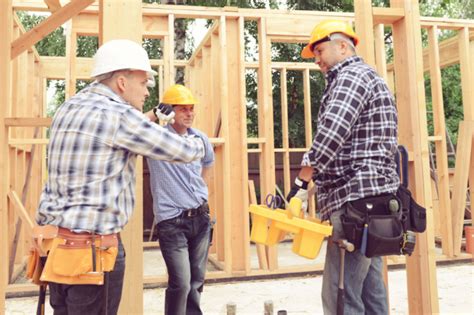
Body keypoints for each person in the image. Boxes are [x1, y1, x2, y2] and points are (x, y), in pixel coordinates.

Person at [35, 39, 206, 315]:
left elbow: (110, 138)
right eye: (144, 83)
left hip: (57, 249)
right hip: (92, 255)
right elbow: (182, 150)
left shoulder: (69, 108)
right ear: (123, 82)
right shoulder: (119, 115)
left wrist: (150, 117)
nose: (147, 90)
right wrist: (200, 142)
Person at [286, 20, 400, 314]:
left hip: (357, 205)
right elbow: (350, 149)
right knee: (369, 289)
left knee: (340, 294)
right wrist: (312, 192)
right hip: (374, 204)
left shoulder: (350, 77)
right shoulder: (367, 78)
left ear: (342, 46)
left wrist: (299, 185)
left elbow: (329, 137)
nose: (318, 60)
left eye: (320, 50)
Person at [146, 84, 214, 315]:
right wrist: (155, 113)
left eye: (191, 108)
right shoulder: (157, 138)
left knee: (196, 281)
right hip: (172, 221)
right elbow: (133, 127)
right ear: (171, 111)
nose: (189, 113)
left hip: (201, 218)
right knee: (181, 282)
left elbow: (207, 167)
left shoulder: (201, 139)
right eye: (183, 109)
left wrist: (197, 193)